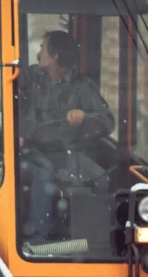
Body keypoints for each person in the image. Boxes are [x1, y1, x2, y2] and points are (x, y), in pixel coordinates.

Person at [18, 30, 115, 243]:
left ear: (54, 56)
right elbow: (11, 103)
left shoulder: (83, 87)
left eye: (43, 48)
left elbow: (108, 121)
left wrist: (86, 117)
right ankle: (39, 239)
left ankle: (92, 240)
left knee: (101, 180)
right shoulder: (30, 78)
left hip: (68, 153)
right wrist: (19, 134)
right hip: (33, 150)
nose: (38, 53)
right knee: (45, 176)